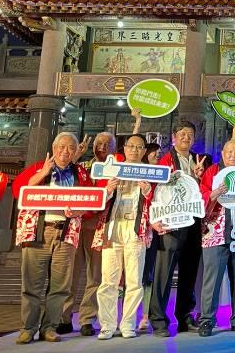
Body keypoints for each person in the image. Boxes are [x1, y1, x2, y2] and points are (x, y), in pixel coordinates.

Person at [12, 132, 93, 344]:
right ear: (54, 147)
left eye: (71, 148)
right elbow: (18, 190)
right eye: (62, 147)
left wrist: (79, 212)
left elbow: (91, 201)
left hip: (66, 233)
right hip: (38, 231)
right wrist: (41, 174)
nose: (66, 151)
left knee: (60, 286)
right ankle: (28, 328)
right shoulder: (40, 166)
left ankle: (49, 327)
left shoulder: (81, 174)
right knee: (32, 284)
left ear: (76, 151)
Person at [149, 120, 208, 337]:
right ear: (173, 137)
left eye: (190, 134)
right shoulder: (164, 161)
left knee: (189, 272)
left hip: (192, 222)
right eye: (182, 134)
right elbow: (155, 191)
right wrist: (153, 219)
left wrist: (198, 178)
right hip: (170, 223)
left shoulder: (199, 161)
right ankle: (158, 320)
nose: (186, 137)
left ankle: (184, 317)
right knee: (164, 273)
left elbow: (203, 192)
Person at [94, 134, 154, 340]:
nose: (135, 150)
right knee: (108, 280)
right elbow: (96, 200)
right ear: (125, 148)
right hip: (112, 228)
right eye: (131, 146)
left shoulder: (152, 173)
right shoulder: (110, 170)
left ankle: (128, 323)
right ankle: (107, 325)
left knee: (135, 280)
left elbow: (160, 202)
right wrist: (108, 189)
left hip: (136, 229)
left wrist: (148, 192)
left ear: (144, 151)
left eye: (139, 147)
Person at [198, 137, 235, 337]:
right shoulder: (212, 172)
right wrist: (214, 194)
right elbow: (200, 197)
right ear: (222, 154)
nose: (233, 155)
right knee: (211, 279)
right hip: (215, 232)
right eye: (229, 152)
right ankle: (206, 319)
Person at [60, 131, 114, 336]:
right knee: (70, 273)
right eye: (99, 143)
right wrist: (75, 156)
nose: (102, 146)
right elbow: (62, 176)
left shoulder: (114, 169)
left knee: (95, 275)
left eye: (108, 144)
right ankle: (64, 317)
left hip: (99, 225)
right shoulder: (81, 166)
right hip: (76, 224)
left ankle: (86, 319)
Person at [138, 142, 161, 332]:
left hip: (157, 231)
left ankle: (145, 315)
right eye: (154, 153)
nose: (156, 156)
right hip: (138, 229)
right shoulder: (137, 173)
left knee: (149, 274)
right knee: (133, 275)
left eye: (159, 153)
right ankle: (124, 316)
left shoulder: (163, 176)